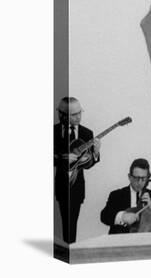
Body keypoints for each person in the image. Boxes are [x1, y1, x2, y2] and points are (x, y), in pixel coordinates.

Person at [54, 97, 101, 243]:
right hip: (61, 186)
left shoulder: (87, 133)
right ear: (61, 115)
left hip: (77, 187)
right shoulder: (52, 132)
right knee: (63, 223)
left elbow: (88, 164)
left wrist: (96, 152)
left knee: (72, 224)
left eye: (80, 112)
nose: (78, 117)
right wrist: (63, 158)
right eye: (74, 114)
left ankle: (70, 251)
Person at [100, 158, 151, 233]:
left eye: (143, 178)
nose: (140, 182)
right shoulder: (117, 195)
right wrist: (123, 217)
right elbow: (104, 216)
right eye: (136, 178)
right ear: (129, 177)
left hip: (144, 242)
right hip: (120, 242)